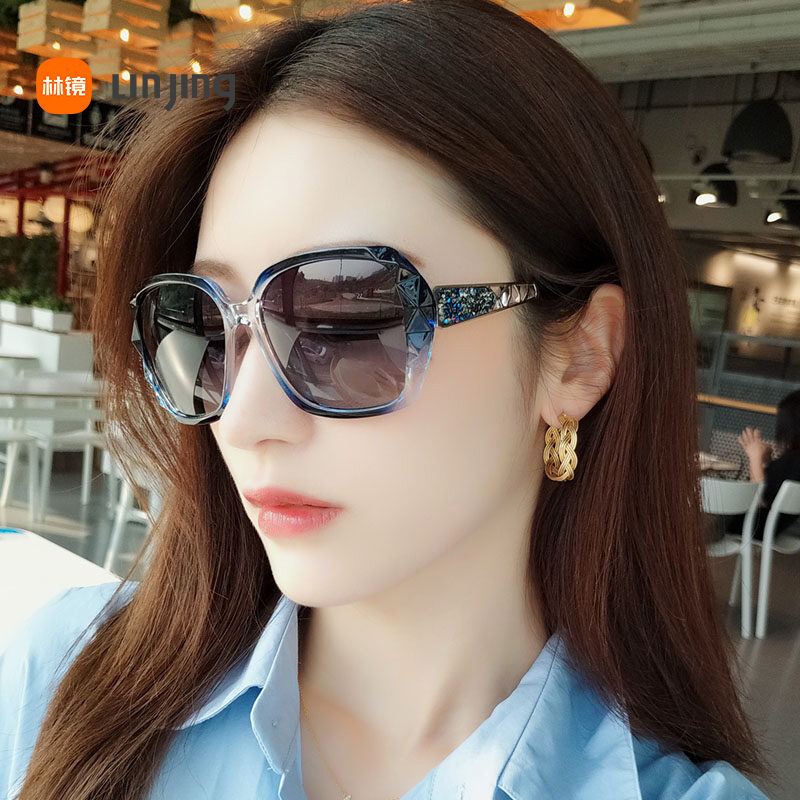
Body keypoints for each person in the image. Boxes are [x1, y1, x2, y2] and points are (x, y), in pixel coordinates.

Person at [0, 0, 770, 798]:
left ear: (579, 356)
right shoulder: (57, 682)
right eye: (204, 323)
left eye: (345, 322)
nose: (243, 416)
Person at [727, 390, 800, 540]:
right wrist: (766, 461)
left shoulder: (793, 460)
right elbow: (776, 489)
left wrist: (755, 458)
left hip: (754, 528)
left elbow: (757, 500)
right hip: (774, 527)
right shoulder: (793, 458)